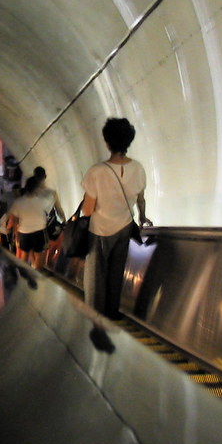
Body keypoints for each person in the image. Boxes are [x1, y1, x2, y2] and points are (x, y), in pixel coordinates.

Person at [80, 118, 152, 319]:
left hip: (99, 229)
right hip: (125, 228)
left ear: (107, 142)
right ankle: (112, 313)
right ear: (128, 142)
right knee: (116, 273)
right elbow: (141, 199)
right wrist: (143, 217)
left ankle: (95, 316)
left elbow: (87, 210)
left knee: (96, 276)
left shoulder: (97, 171)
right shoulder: (139, 169)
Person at [7, 174, 55, 269]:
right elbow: (50, 208)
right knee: (39, 257)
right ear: (37, 188)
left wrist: (9, 228)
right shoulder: (42, 201)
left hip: (24, 232)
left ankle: (22, 274)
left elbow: (12, 218)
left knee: (24, 255)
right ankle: (37, 276)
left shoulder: (19, 202)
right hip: (40, 231)